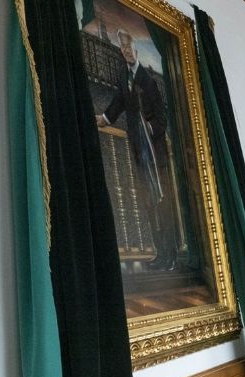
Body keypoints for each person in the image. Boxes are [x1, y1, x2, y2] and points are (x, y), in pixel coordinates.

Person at [96, 29, 176, 270]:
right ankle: (160, 253)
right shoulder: (124, 79)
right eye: (123, 49)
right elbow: (117, 105)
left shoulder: (148, 81)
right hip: (140, 153)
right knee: (148, 202)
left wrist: (148, 130)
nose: (126, 52)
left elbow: (161, 120)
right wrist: (102, 120)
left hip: (155, 154)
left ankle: (170, 256)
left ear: (136, 50)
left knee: (162, 203)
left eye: (129, 48)